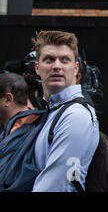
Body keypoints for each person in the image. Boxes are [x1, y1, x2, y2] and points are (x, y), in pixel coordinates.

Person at [31, 30, 99, 191]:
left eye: (65, 60)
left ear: (76, 68)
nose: (56, 66)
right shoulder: (52, 111)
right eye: (49, 59)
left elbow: (57, 185)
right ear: (37, 67)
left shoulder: (75, 115)